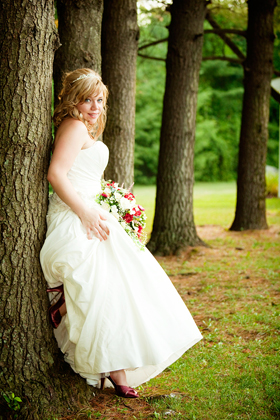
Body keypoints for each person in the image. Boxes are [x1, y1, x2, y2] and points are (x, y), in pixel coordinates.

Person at [40, 68, 202, 398]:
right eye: (86, 99)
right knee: (100, 288)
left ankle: (116, 365)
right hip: (75, 216)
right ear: (73, 101)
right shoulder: (72, 125)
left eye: (99, 99)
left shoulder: (81, 127)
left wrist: (106, 203)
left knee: (122, 287)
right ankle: (113, 368)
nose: (94, 106)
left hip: (90, 212)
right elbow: (56, 174)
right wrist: (85, 212)